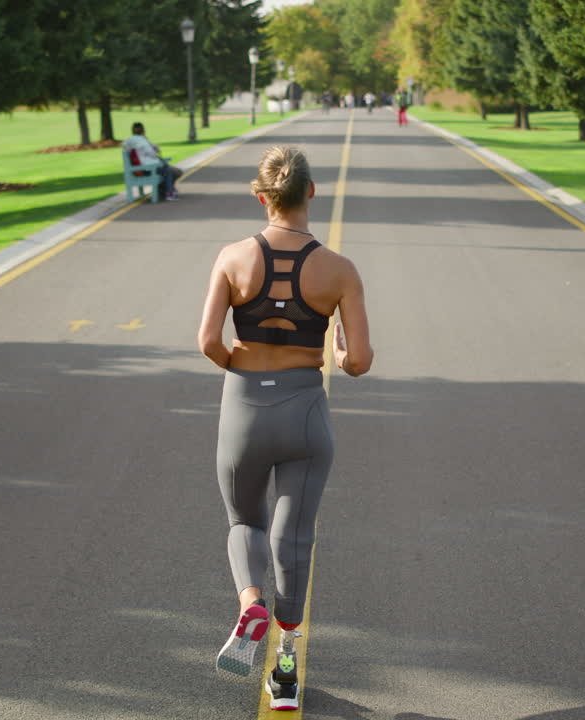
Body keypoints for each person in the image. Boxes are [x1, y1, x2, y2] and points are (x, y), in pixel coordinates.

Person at [197, 146, 373, 710]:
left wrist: (244, 374)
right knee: (292, 538)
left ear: (261, 196)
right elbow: (360, 361)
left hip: (244, 406)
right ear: (311, 193)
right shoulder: (339, 269)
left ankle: (250, 601)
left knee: (244, 520)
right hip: (304, 411)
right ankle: (287, 668)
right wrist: (340, 356)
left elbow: (207, 343)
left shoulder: (231, 257)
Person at [121, 122, 181, 200]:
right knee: (170, 170)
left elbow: (124, 145)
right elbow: (153, 154)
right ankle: (169, 192)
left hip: (142, 168)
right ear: (143, 130)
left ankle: (164, 190)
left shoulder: (130, 140)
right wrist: (155, 150)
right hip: (148, 168)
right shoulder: (142, 141)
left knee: (169, 169)